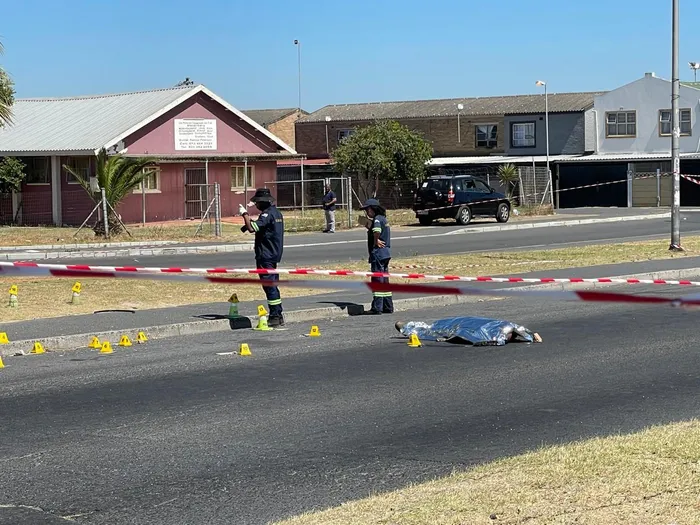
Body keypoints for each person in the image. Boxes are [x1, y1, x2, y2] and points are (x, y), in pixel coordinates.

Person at [239, 188, 285, 327]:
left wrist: (244, 214)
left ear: (262, 202)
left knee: (269, 285)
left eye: (257, 202)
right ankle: (278, 314)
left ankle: (275, 316)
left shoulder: (266, 214)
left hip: (266, 255)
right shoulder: (276, 213)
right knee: (272, 285)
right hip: (274, 254)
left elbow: (252, 228)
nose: (256, 205)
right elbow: (262, 227)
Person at [361, 198, 393, 315]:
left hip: (378, 254)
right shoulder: (383, 218)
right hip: (386, 253)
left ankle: (377, 307)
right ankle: (388, 306)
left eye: (367, 209)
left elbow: (377, 230)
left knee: (377, 279)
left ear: (372, 209)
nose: (366, 212)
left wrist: (376, 240)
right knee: (384, 280)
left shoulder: (377, 219)